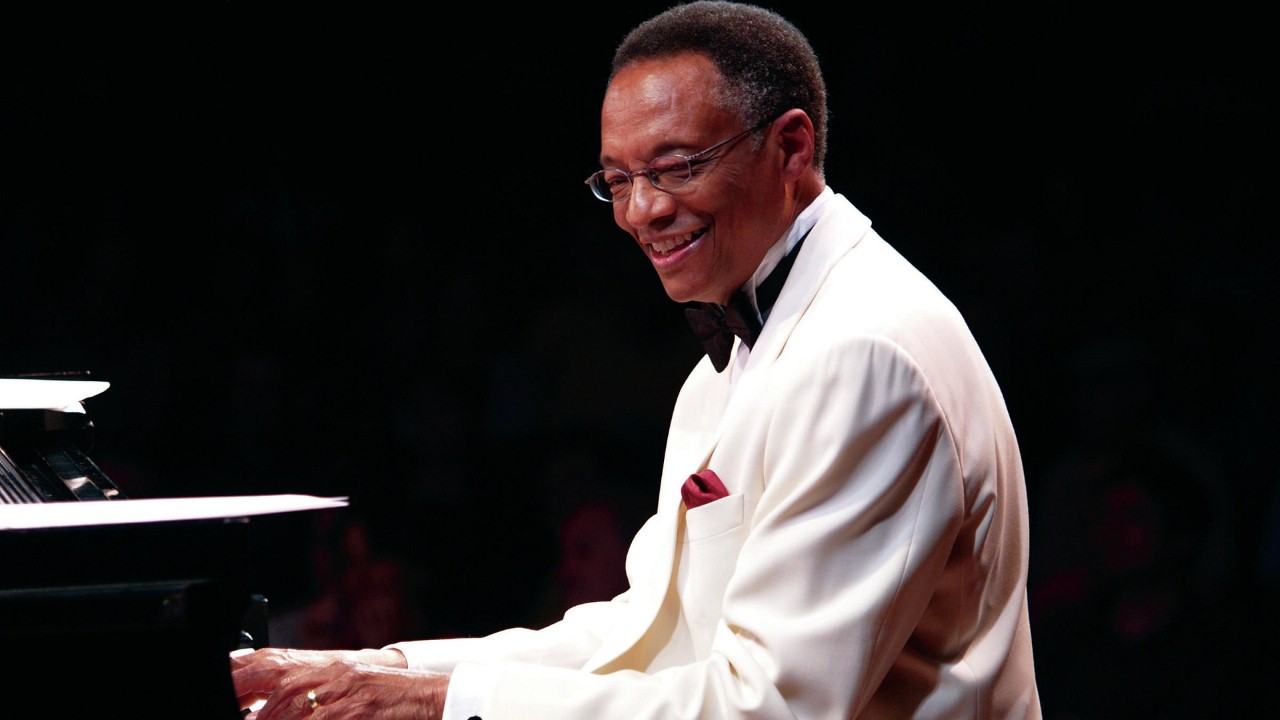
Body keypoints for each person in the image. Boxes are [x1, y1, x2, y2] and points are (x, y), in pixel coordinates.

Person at [231, 2, 1041, 718]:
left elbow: (770, 707)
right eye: (618, 180)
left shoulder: (863, 349)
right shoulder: (738, 351)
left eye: (676, 167)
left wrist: (435, 704)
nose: (642, 211)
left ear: (791, 146)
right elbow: (652, 630)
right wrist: (381, 672)